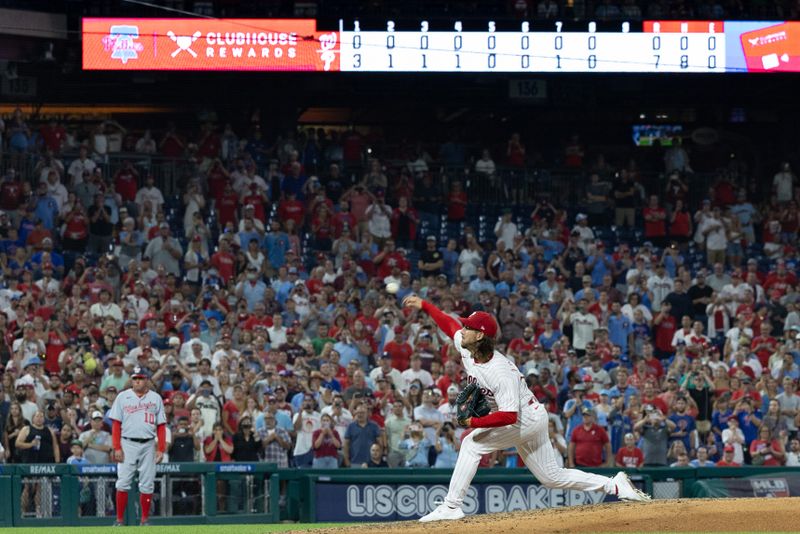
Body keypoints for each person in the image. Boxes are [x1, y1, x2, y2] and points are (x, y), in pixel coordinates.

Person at [402, 295, 649, 523]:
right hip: (530, 416)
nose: (463, 330)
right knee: (551, 477)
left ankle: (452, 505)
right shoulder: (469, 348)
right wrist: (425, 305)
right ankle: (615, 485)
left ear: (479, 336)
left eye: (468, 327)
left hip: (524, 420)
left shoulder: (500, 370)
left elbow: (510, 416)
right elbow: (449, 325)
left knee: (471, 443)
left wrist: (473, 424)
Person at [108, 366, 166, 527]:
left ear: (146, 380)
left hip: (148, 444)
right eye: (135, 378)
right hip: (127, 443)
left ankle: (144, 520)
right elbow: (116, 425)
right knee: (123, 482)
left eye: (140, 378)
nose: (137, 381)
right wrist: (117, 447)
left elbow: (161, 426)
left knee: (147, 484)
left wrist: (161, 448)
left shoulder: (155, 398)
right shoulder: (122, 397)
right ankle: (119, 520)